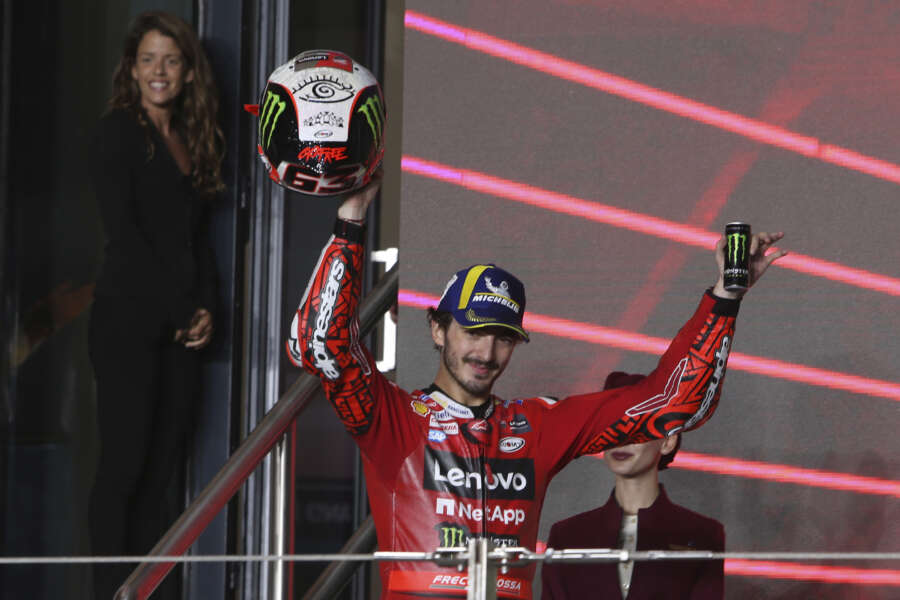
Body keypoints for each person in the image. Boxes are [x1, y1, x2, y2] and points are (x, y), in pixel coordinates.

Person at [287, 176, 785, 599]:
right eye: (475, 332)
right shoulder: (391, 420)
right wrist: (350, 223)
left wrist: (724, 299)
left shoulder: (536, 426)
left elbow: (672, 403)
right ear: (437, 330)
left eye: (504, 339)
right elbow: (320, 347)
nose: (487, 353)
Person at [87, 11, 224, 600]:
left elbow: (196, 241)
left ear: (188, 71)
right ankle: (108, 593)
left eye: (170, 59)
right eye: (148, 59)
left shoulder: (190, 139)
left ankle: (150, 593)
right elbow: (127, 238)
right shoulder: (116, 133)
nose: (158, 71)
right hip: (128, 322)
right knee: (124, 468)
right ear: (132, 69)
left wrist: (208, 310)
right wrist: (179, 310)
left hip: (181, 329)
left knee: (164, 477)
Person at [541, 372, 725, 600]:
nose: (621, 437)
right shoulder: (567, 537)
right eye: (611, 423)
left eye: (637, 424)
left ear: (668, 440)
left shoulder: (702, 535)